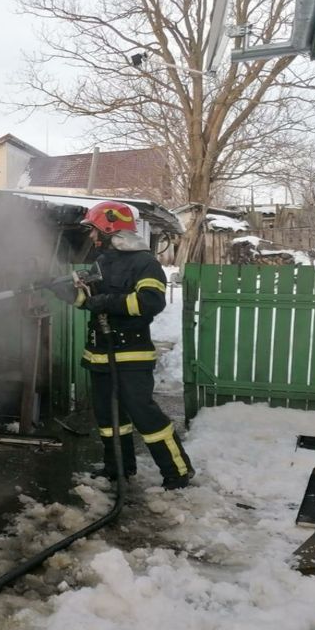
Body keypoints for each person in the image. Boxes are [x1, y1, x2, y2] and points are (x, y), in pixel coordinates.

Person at [53, 201, 195, 490]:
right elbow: (88, 301)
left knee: (143, 413)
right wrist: (65, 292)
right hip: (100, 353)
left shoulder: (145, 263)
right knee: (108, 417)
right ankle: (118, 467)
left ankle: (177, 471)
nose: (92, 238)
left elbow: (150, 303)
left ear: (109, 228)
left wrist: (107, 302)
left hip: (131, 354)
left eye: (94, 231)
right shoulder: (102, 263)